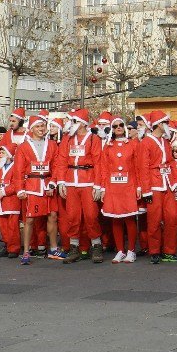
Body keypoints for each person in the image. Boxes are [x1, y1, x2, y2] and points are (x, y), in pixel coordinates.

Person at [56, 108, 103, 264]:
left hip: (88, 182)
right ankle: (74, 247)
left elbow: (98, 163)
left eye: (74, 121)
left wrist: (98, 185)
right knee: (72, 216)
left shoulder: (93, 139)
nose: (71, 124)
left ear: (82, 123)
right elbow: (61, 161)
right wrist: (61, 182)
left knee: (91, 216)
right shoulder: (67, 139)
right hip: (71, 182)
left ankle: (96, 245)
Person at [13, 115, 60, 265]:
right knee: (30, 219)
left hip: (47, 184)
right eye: (38, 126)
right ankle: (26, 251)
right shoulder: (23, 147)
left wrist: (53, 182)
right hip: (32, 186)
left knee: (52, 216)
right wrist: (20, 189)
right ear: (31, 128)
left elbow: (57, 166)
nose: (41, 129)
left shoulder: (52, 144)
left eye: (43, 126)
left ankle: (53, 248)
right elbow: (18, 170)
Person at [137, 110, 177, 264]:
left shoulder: (165, 141)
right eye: (166, 123)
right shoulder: (146, 143)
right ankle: (154, 250)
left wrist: (175, 181)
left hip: (167, 183)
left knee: (172, 217)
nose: (168, 125)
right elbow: (143, 167)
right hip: (154, 185)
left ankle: (169, 251)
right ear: (159, 124)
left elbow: (170, 163)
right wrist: (146, 190)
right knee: (154, 220)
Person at [100, 117, 140, 264]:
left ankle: (131, 251)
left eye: (121, 125)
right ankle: (120, 251)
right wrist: (103, 187)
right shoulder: (108, 146)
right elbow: (104, 168)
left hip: (129, 185)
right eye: (115, 126)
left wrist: (139, 186)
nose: (118, 127)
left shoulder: (133, 145)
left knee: (129, 218)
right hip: (113, 186)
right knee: (116, 219)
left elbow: (138, 167)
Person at [0, 143, 21, 258]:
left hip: (11, 201)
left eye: (3, 152)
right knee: (2, 225)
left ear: (9, 155)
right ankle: (7, 244)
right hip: (0, 201)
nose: (0, 154)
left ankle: (14, 248)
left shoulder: (16, 167)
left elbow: (16, 184)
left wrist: (3, 192)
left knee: (12, 226)